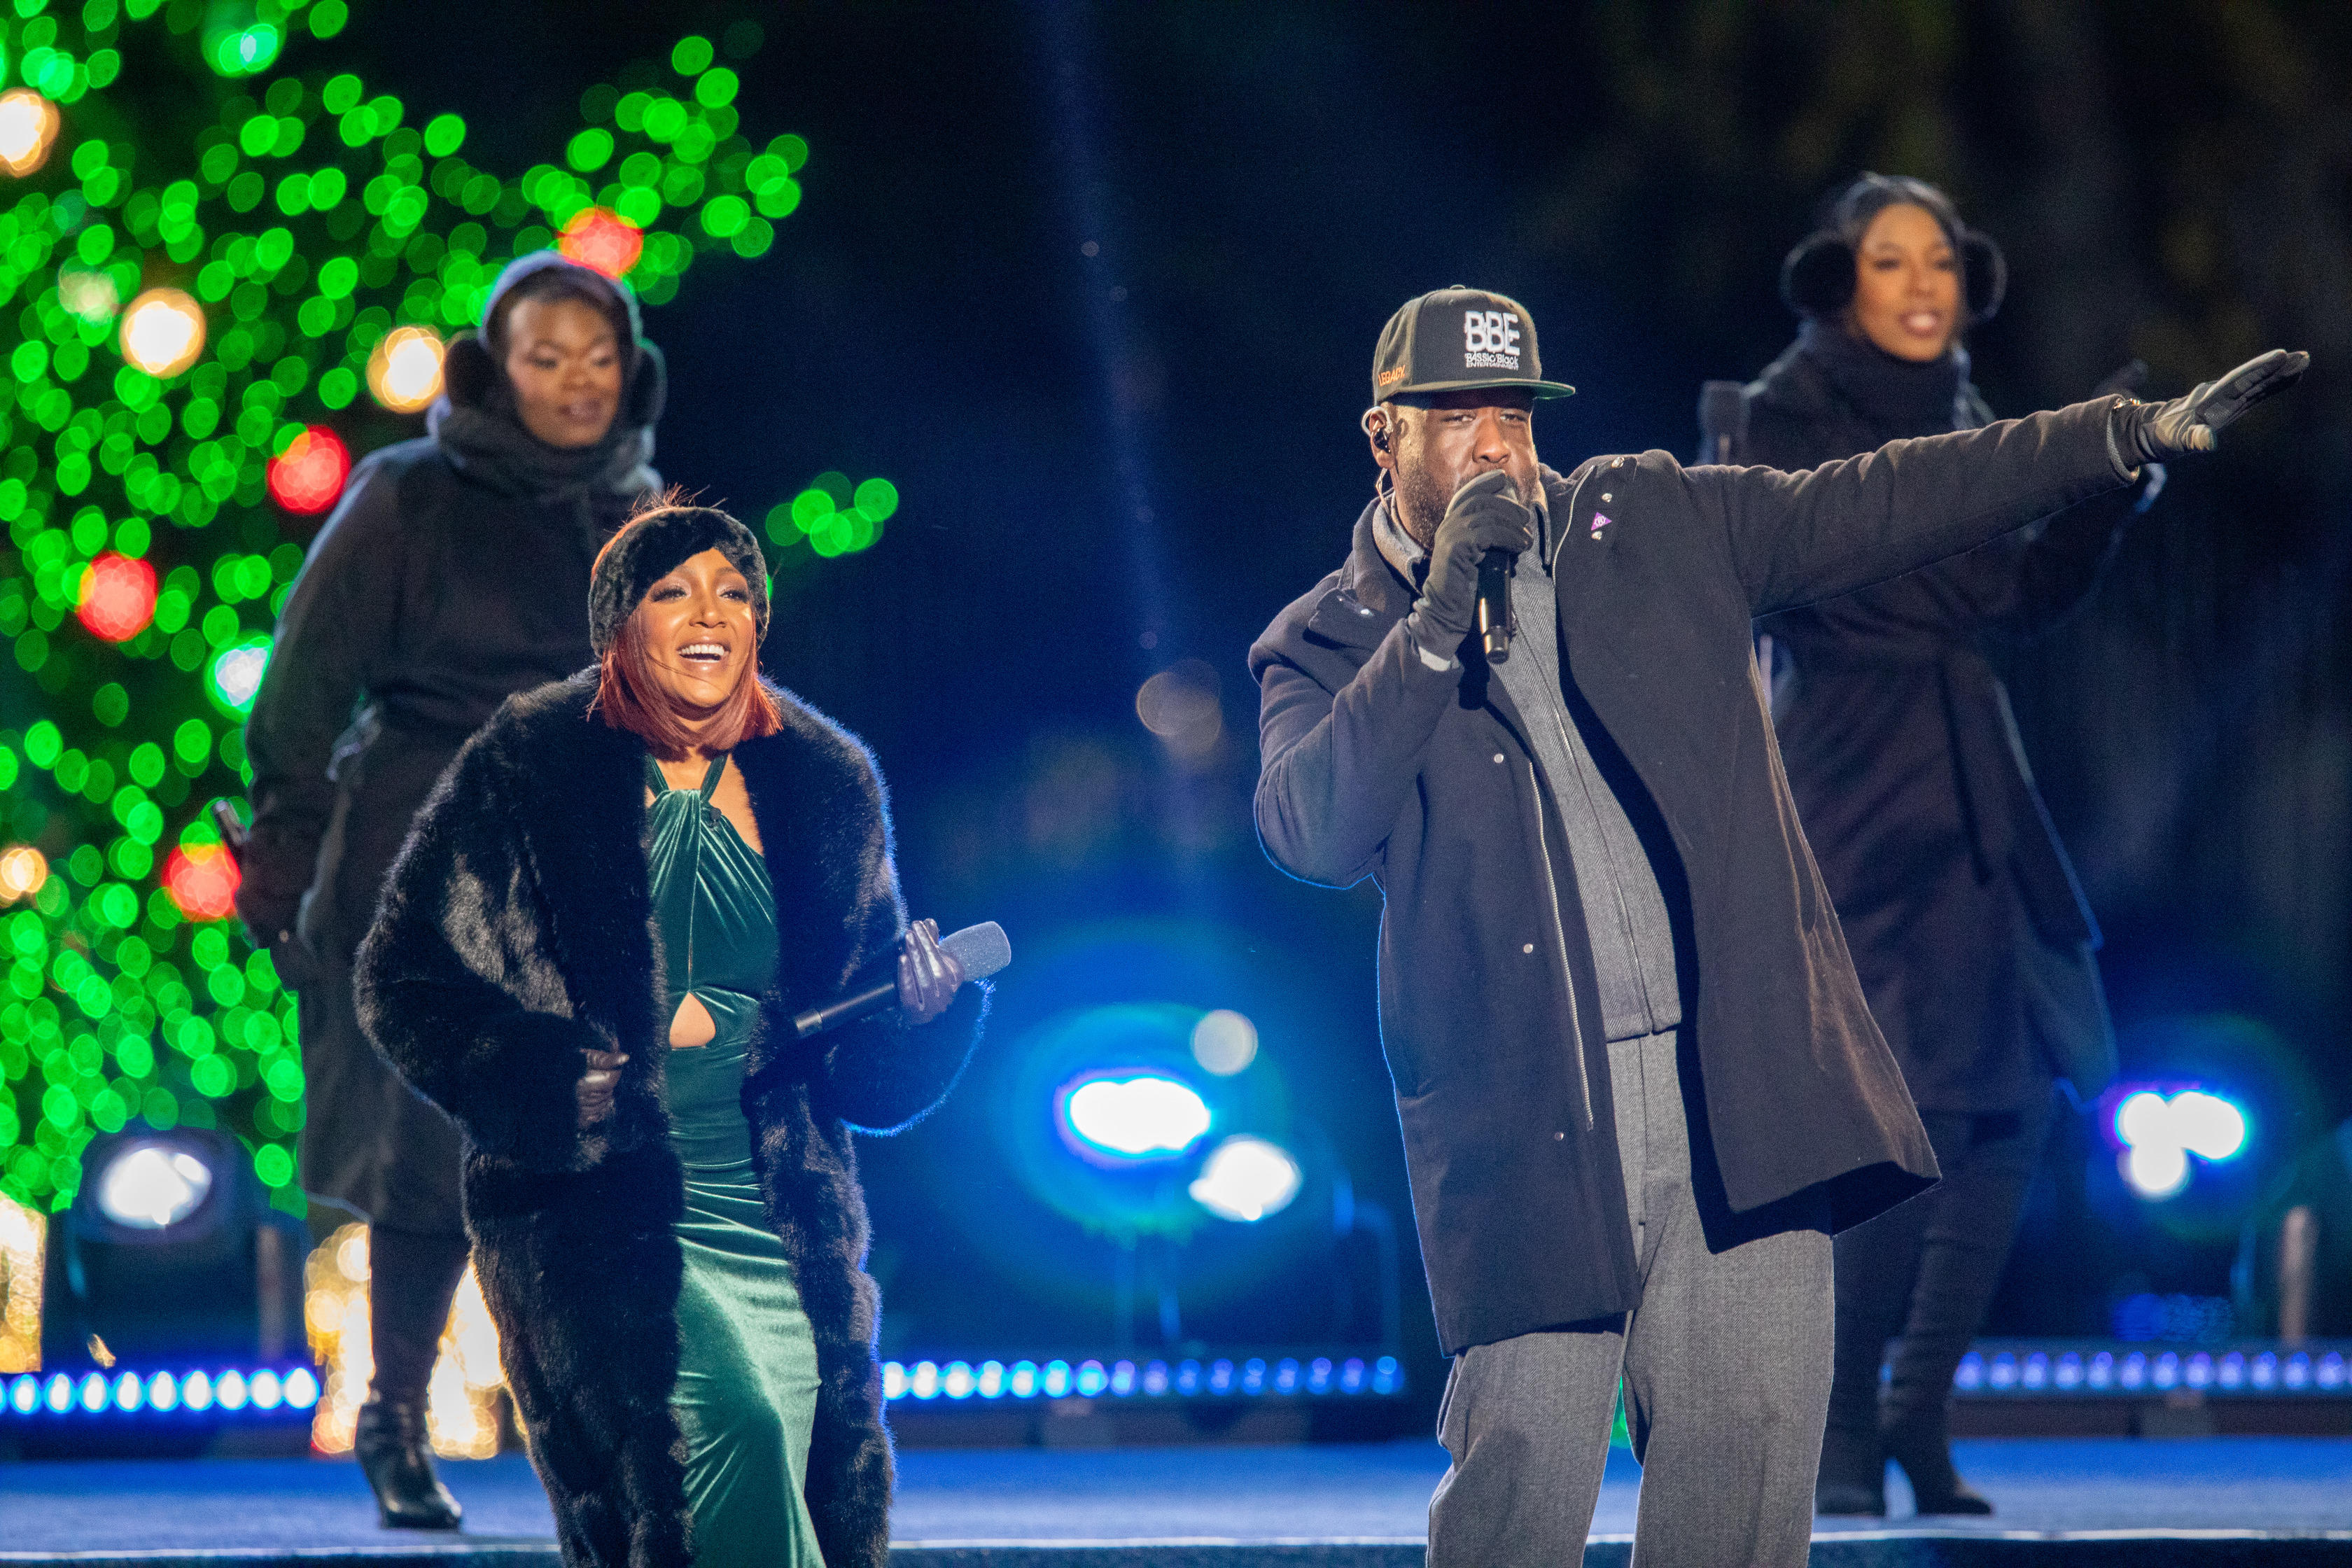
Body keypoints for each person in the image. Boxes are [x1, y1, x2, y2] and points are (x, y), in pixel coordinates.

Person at [1248, 284, 2300, 1567]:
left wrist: (2120, 434)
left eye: (1515, 417)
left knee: (1742, 1509)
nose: (1495, 450)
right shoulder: (1325, 640)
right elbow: (1312, 831)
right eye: (1458, 418)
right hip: (1525, 1126)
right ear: (1385, 435)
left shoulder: (1652, 522)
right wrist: (1433, 621)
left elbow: (1895, 496)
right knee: (1515, 1499)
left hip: (1734, 1103)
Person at [354, 503, 986, 1568]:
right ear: (618, 625)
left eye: (734, 594)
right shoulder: (531, 762)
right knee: (724, 1426)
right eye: (674, 593)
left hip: (778, 1209)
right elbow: (401, 979)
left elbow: (865, 1078)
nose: (710, 617)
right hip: (600, 1207)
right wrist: (537, 1076)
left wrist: (921, 1013)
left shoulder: (825, 781)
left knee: (795, 1450)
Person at [1712, 173, 2159, 1518]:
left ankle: (1914, 1412)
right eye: (1890, 260)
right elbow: (1860, 597)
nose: (1921, 285)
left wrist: (2108, 478)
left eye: (1942, 263)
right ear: (1840, 280)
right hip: (1859, 803)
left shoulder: (1965, 420)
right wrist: (2070, 455)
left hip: (1975, 796)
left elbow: (2014, 595)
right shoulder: (1775, 417)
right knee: (1889, 1125)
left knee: (2009, 1110)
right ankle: (1838, 1434)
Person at [238, 250, 667, 1527]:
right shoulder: (409, 497)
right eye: (547, 357)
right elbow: (305, 686)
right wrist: (283, 849)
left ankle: (584, 1428)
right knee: (429, 1149)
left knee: (589, 1136)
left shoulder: (641, 513)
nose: (576, 382)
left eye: (597, 358)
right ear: (497, 368)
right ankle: (395, 1418)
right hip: (420, 845)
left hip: (583, 852)